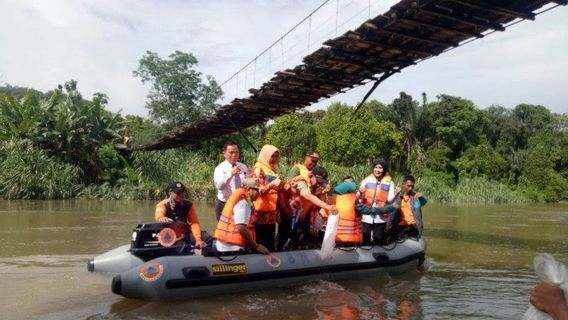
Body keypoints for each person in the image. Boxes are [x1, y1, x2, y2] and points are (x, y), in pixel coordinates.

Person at [278, 162, 337, 250]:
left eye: (321, 183)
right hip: (288, 217)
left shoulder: (314, 186)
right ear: (311, 176)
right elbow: (307, 195)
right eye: (318, 181)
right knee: (283, 242)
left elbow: (316, 202)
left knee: (300, 242)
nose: (319, 185)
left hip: (300, 218)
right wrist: (327, 206)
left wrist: (322, 194)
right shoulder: (301, 181)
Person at [325, 181, 398, 246]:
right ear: (349, 191)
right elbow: (371, 210)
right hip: (350, 240)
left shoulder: (335, 200)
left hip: (336, 238)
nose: (355, 191)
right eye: (354, 190)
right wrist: (391, 208)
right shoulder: (353, 202)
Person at [214, 178, 271, 255]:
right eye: (256, 190)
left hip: (226, 244)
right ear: (249, 189)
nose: (259, 193)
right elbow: (241, 227)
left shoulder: (242, 198)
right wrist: (256, 246)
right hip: (232, 248)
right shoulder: (243, 203)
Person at [154, 181, 207, 249]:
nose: (181, 195)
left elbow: (194, 223)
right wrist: (162, 218)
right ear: (170, 193)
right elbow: (158, 216)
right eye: (178, 193)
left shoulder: (188, 205)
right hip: (169, 235)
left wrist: (198, 240)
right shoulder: (163, 204)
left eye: (182, 192)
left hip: (184, 232)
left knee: (207, 238)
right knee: (180, 244)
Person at [251, 144, 282, 251]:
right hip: (260, 214)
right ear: (266, 155)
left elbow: (275, 189)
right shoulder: (259, 169)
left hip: (271, 214)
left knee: (270, 243)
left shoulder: (273, 169)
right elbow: (258, 191)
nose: (274, 159)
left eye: (276, 156)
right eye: (272, 156)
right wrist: (272, 184)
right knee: (261, 241)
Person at [358, 159, 396, 245]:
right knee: (365, 238)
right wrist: (360, 192)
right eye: (375, 167)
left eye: (380, 168)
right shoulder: (366, 180)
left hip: (381, 217)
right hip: (367, 216)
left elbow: (390, 199)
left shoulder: (390, 183)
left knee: (378, 238)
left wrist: (397, 193)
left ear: (384, 169)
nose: (377, 170)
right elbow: (359, 199)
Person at [213, 141, 248, 221]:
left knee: (239, 231)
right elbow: (219, 186)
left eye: (236, 152)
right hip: (225, 204)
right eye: (231, 152)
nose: (234, 155)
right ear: (224, 154)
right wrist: (231, 174)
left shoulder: (243, 167)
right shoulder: (220, 168)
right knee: (224, 232)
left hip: (240, 203)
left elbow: (246, 185)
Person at [388, 175, 428, 239]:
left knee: (407, 230)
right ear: (403, 184)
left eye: (412, 186)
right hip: (401, 225)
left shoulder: (416, 198)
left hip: (413, 226)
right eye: (408, 186)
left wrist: (422, 196)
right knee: (390, 232)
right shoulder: (399, 197)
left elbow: (424, 201)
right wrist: (396, 194)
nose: (411, 188)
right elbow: (390, 207)